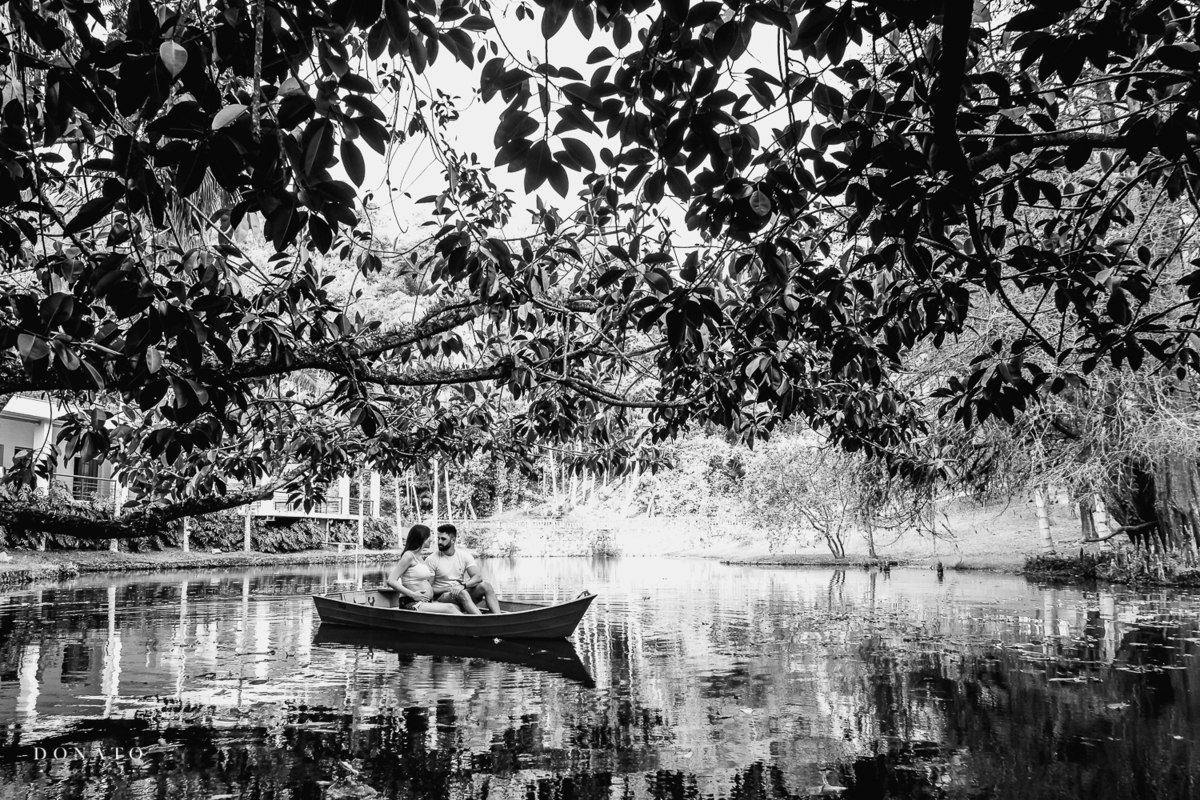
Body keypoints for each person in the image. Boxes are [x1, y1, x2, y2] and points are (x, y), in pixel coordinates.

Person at [385, 524, 462, 614]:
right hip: (411, 602)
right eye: (429, 536)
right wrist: (413, 595)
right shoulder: (409, 555)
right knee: (450, 608)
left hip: (425, 602)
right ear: (422, 537)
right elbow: (391, 581)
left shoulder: (420, 557)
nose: (431, 539)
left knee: (457, 607)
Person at [426, 524, 502, 614]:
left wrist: (463, 586)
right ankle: (481, 620)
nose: (439, 542)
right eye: (438, 538)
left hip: (461, 592)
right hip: (442, 597)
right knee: (463, 593)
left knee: (486, 586)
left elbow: (478, 577)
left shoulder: (464, 555)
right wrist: (450, 589)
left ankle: (498, 617)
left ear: (453, 540)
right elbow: (429, 589)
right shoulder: (431, 560)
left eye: (443, 539)